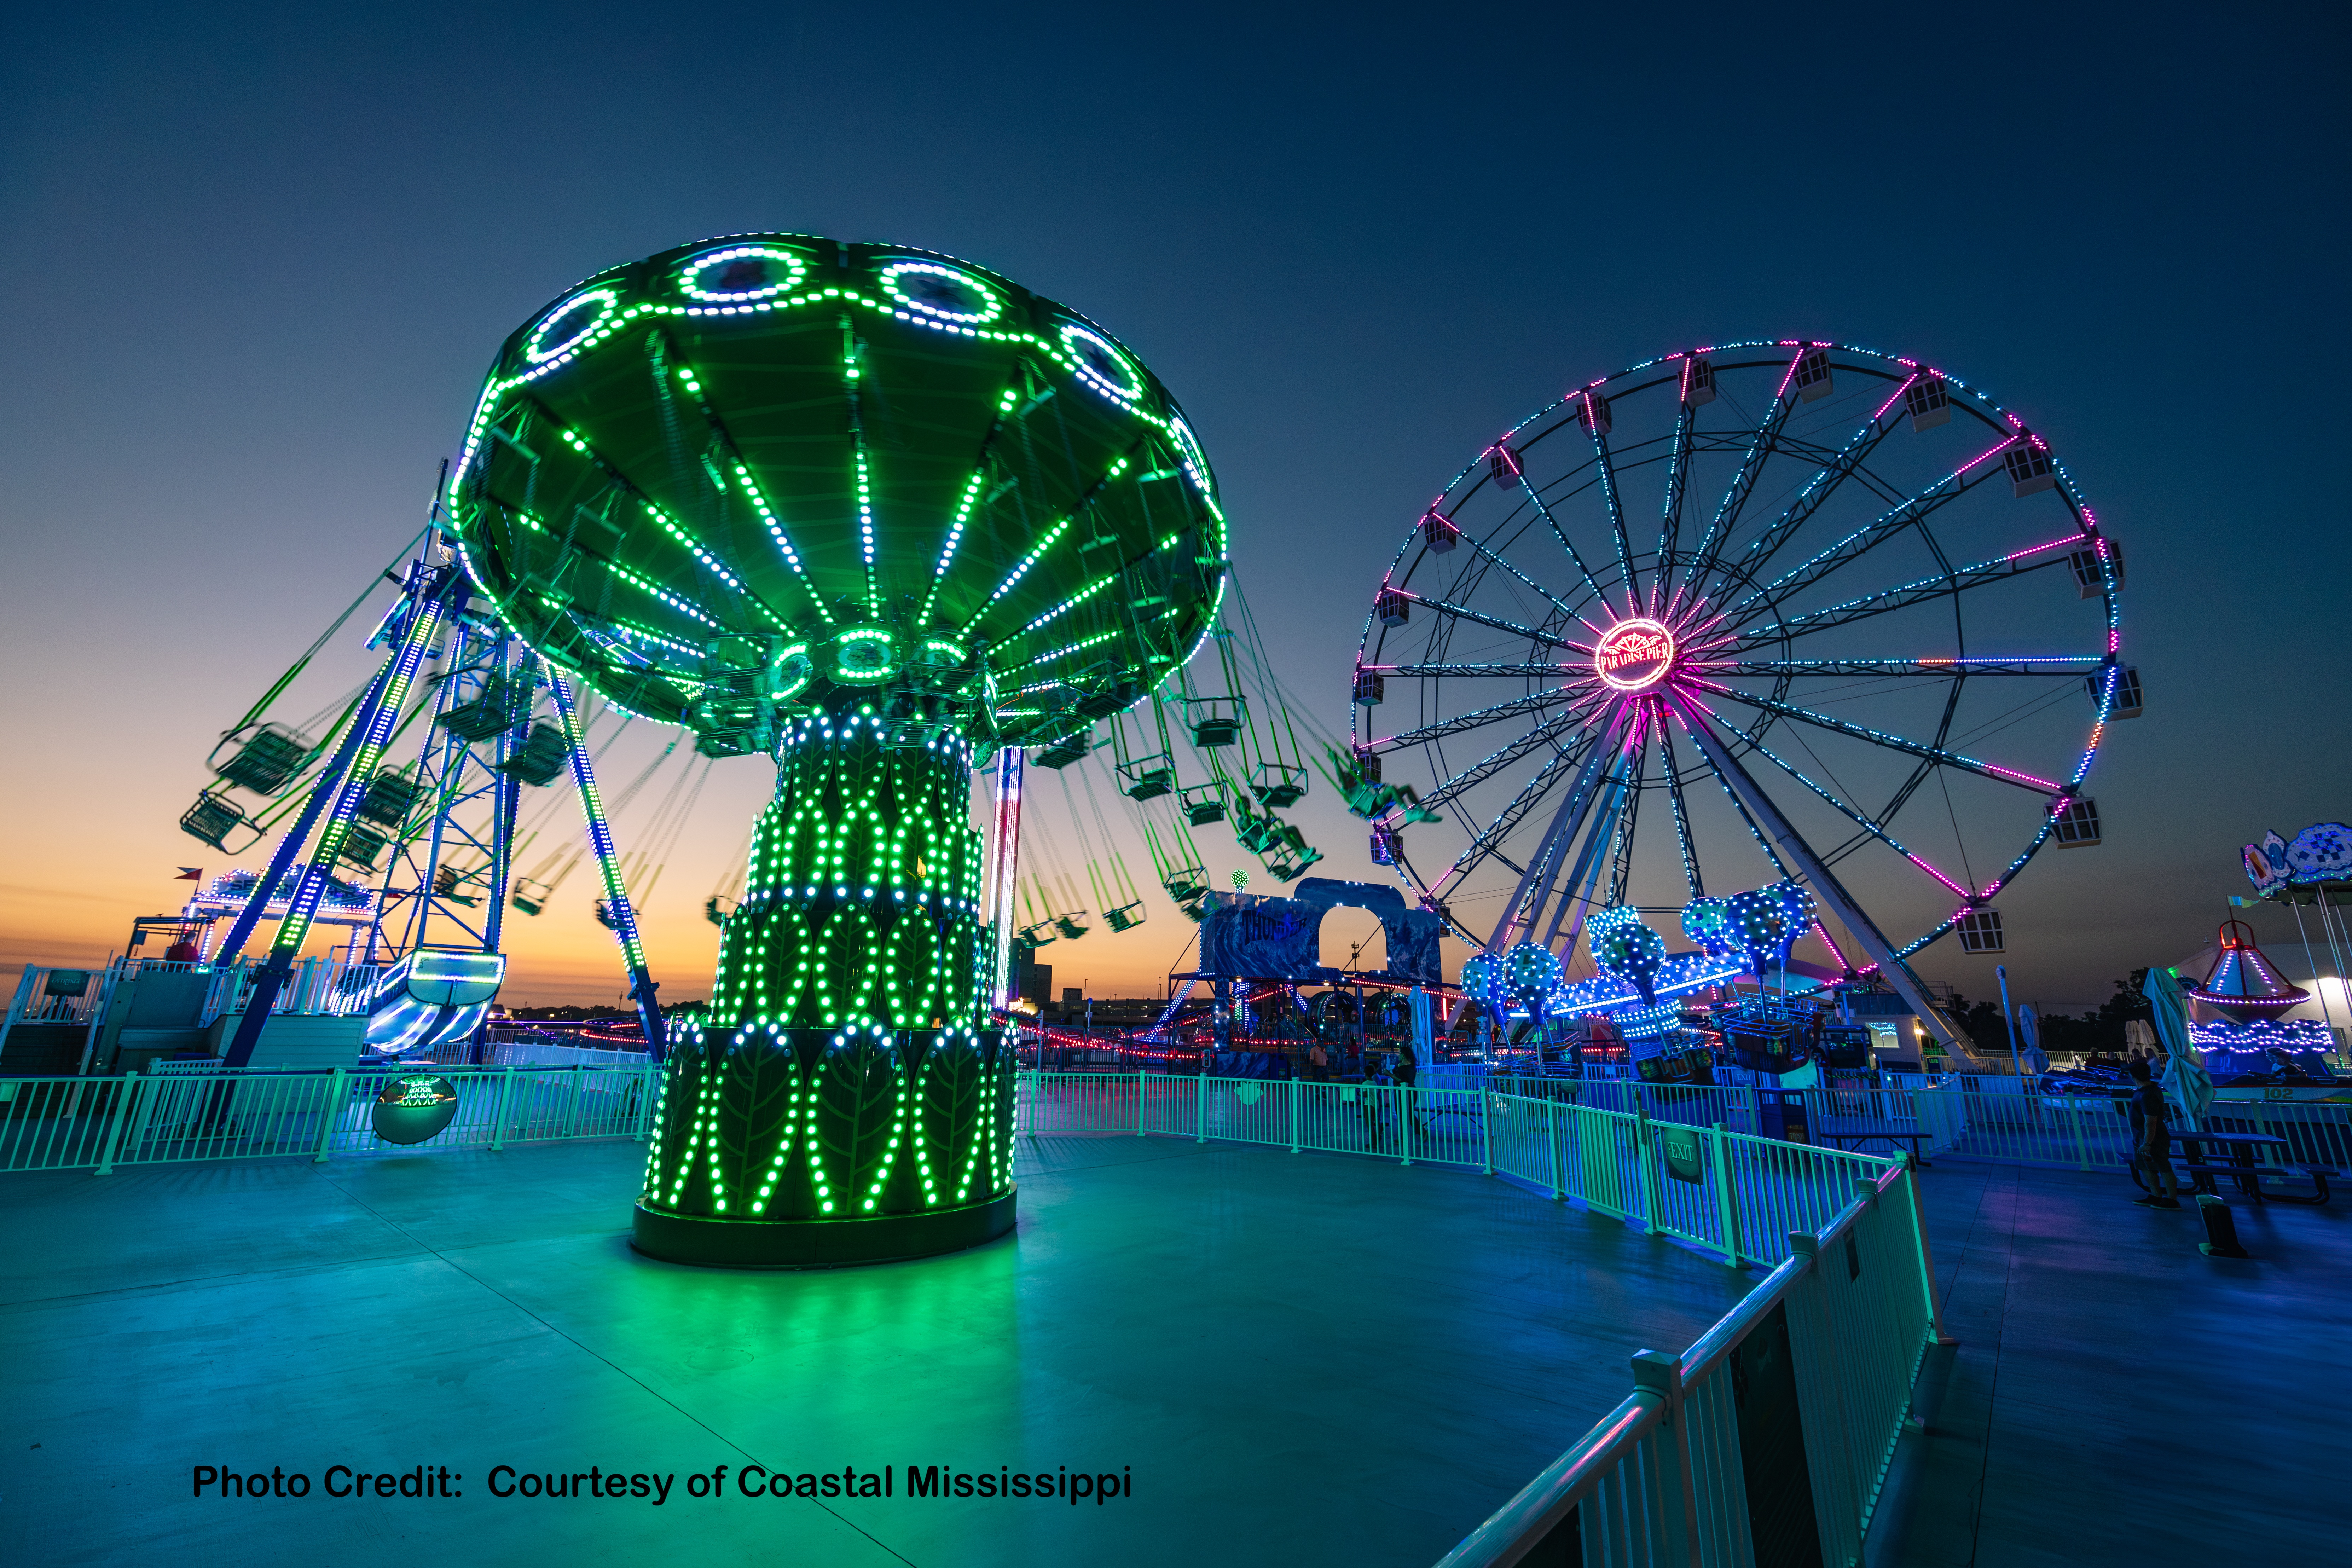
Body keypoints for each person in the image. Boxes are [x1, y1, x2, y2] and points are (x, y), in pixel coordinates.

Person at [2126, 1057, 2180, 1209]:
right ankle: (2156, 1196)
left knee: (2163, 1166)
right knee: (2146, 1167)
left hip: (2152, 1139)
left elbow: (2151, 1121)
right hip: (2142, 1138)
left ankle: (2172, 1200)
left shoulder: (2147, 1095)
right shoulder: (2148, 1091)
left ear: (2133, 1076)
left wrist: (2147, 1143)